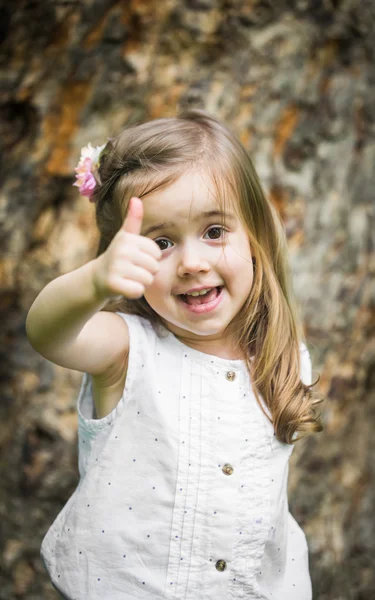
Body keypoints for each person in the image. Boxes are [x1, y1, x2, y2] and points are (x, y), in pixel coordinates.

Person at [26, 109, 323, 600]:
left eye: (214, 232)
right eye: (161, 242)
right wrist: (94, 281)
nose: (191, 263)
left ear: (254, 236)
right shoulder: (126, 348)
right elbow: (47, 333)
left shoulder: (281, 354)